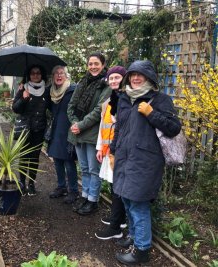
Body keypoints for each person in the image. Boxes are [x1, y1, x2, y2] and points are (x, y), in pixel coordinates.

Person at [109, 60, 182, 265]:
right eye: (132, 75)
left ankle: (141, 250)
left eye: (140, 75)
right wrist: (113, 152)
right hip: (124, 159)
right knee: (126, 199)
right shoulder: (124, 99)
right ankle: (133, 236)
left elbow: (173, 128)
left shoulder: (159, 100)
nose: (135, 78)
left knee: (138, 204)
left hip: (145, 161)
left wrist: (151, 114)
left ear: (150, 78)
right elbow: (120, 129)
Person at [67, 52, 111, 215]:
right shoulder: (82, 82)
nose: (93, 67)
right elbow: (71, 105)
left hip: (93, 133)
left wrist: (81, 124)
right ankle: (85, 196)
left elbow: (100, 109)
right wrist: (74, 123)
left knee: (93, 169)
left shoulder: (106, 85)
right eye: (90, 64)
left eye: (96, 64)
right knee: (84, 168)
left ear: (103, 64)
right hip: (77, 132)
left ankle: (93, 200)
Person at [94, 66, 128, 240]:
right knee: (115, 186)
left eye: (117, 78)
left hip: (121, 151)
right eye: (111, 78)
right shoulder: (109, 100)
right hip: (110, 150)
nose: (114, 81)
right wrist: (100, 147)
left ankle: (116, 227)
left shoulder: (127, 99)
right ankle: (118, 220)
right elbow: (103, 126)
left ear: (124, 79)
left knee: (118, 186)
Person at [12, 65, 51, 196]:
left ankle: (31, 183)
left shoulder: (46, 91)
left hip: (38, 130)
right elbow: (15, 109)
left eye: (38, 73)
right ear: (29, 75)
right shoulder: (23, 89)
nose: (35, 75)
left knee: (34, 158)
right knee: (23, 157)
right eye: (33, 73)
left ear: (42, 75)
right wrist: (24, 98)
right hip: (25, 129)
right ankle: (22, 182)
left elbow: (51, 108)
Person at [47, 65, 79, 204]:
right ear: (53, 77)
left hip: (68, 130)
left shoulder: (72, 90)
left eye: (62, 73)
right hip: (56, 130)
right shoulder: (52, 92)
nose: (59, 76)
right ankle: (61, 187)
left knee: (68, 161)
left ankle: (73, 190)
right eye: (56, 74)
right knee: (57, 160)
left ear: (66, 76)